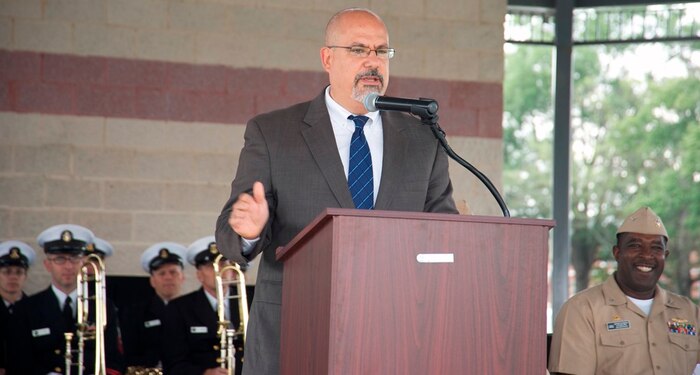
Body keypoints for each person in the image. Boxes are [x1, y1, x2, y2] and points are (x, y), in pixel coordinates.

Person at [214, 7, 458, 374]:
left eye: (381, 51)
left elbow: (443, 231)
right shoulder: (274, 132)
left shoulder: (423, 139)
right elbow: (231, 236)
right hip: (296, 334)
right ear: (327, 58)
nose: (373, 61)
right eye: (359, 50)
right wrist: (249, 232)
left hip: (396, 336)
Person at [548, 207, 700, 375]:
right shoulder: (582, 310)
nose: (647, 255)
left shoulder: (689, 311)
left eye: (656, 248)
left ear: (666, 255)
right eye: (635, 245)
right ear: (617, 253)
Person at [8, 224, 124, 375]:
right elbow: (17, 362)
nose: (68, 266)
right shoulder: (27, 308)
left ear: (84, 263)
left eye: (75, 258)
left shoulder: (103, 306)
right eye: (60, 259)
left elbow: (113, 358)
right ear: (48, 265)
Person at [162, 236, 245, 375]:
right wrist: (205, 373)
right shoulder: (180, 308)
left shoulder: (251, 300)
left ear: (232, 270)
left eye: (223, 263)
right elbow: (173, 362)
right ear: (199, 275)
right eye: (210, 266)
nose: (219, 270)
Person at [120, 242, 187, 370]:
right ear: (152, 280)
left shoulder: (194, 311)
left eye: (173, 272)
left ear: (182, 277)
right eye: (162, 273)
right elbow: (130, 353)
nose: (168, 277)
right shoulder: (136, 313)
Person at [0, 240, 36, 375]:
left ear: (25, 276)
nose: (13, 277)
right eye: (6, 272)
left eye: (19, 272)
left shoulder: (35, 309)